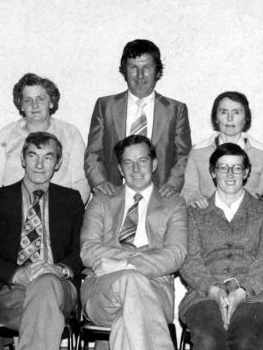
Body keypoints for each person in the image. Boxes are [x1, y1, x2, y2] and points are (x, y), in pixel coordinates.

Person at [0, 132, 83, 350]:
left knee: (46, 285)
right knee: (44, 312)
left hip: (59, 286)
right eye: (33, 156)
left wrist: (59, 270)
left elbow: (82, 249)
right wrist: (16, 274)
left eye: (48, 157)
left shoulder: (71, 200)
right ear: (23, 160)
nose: (40, 165)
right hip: (11, 290)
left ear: (58, 162)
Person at [80, 135, 187, 350]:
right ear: (120, 168)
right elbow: (88, 250)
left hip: (155, 289)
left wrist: (125, 265)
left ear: (154, 164)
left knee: (126, 321)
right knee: (130, 280)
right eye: (128, 162)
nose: (136, 169)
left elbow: (176, 254)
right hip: (103, 291)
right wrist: (137, 262)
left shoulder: (173, 204)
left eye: (143, 161)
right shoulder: (101, 200)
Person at [179, 143, 263, 350]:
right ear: (212, 172)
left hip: (256, 295)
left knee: (245, 339)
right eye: (222, 167)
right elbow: (189, 260)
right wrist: (214, 291)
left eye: (237, 168)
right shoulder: (195, 213)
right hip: (204, 295)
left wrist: (243, 291)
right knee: (208, 339)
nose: (230, 173)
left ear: (246, 173)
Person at [84, 39, 192, 197]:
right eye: (133, 67)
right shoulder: (105, 106)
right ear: (124, 71)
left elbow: (183, 156)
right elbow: (93, 152)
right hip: (114, 197)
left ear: (157, 71)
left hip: (160, 198)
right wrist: (99, 182)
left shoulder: (175, 110)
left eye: (147, 67)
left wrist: (172, 185)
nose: (140, 75)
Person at [0, 73, 89, 203]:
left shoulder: (70, 134)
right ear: (21, 105)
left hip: (59, 208)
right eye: (28, 100)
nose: (35, 105)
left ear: (51, 102)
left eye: (41, 99)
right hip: (14, 208)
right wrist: (4, 210)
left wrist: (68, 213)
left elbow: (81, 182)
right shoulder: (7, 135)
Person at [181, 91, 263, 208]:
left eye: (236, 112)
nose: (230, 118)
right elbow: (188, 192)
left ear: (246, 118)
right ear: (216, 118)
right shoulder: (198, 152)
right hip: (208, 218)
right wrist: (195, 200)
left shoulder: (261, 153)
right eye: (224, 112)